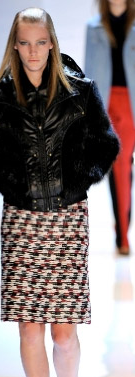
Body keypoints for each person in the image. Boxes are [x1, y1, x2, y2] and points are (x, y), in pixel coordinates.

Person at [0, 7, 119, 377]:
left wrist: (75, 182)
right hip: (22, 222)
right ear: (15, 46)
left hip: (67, 219)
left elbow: (107, 144)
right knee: (29, 329)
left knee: (64, 332)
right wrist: (16, 186)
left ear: (52, 42)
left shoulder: (81, 93)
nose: (33, 52)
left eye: (40, 42)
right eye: (25, 43)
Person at [85, 0, 135, 255]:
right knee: (119, 165)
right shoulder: (93, 27)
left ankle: (123, 229)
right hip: (107, 103)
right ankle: (122, 231)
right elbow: (88, 73)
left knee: (124, 165)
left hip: (131, 102)